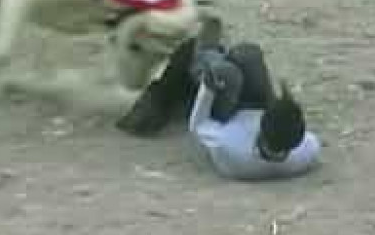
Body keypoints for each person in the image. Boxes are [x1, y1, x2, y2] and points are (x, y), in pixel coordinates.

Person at [116, 15, 321, 180]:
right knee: (248, 54)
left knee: (227, 74)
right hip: (254, 109)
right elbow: (306, 139)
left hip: (227, 116)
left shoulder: (231, 148)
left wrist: (208, 90)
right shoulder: (306, 150)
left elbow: (198, 126)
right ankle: (215, 53)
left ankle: (208, 51)